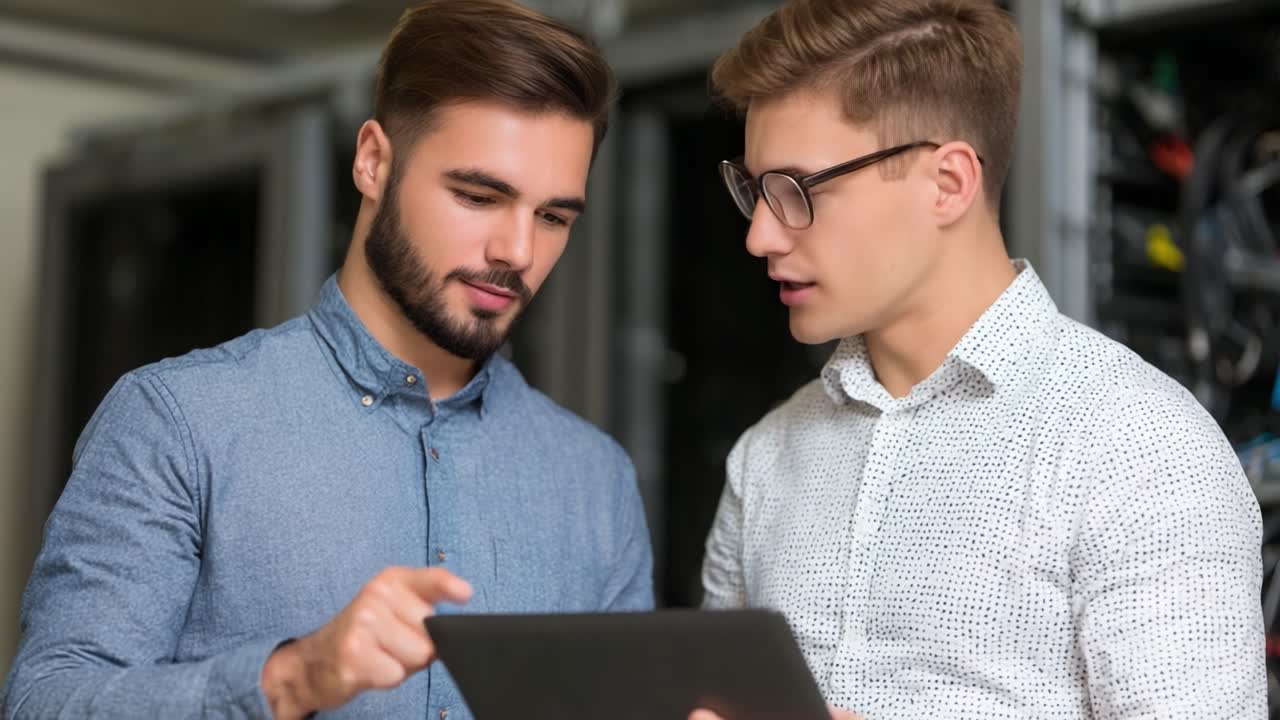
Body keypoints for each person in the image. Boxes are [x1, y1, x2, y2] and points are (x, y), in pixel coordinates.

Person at [1, 1, 653, 718]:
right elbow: (45, 702)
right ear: (373, 161)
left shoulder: (597, 483)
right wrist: (293, 678)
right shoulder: (180, 424)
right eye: (477, 195)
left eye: (553, 217)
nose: (518, 252)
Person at [695, 0, 1265, 718]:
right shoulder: (765, 459)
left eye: (798, 191)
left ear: (949, 184)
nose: (761, 238)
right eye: (756, 191)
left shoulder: (1139, 448)